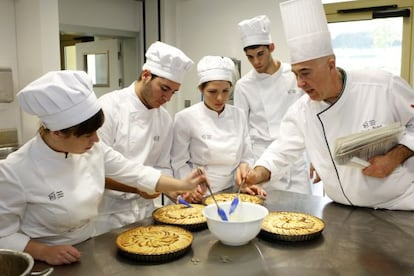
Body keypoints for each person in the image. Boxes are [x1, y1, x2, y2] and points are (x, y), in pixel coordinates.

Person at [0, 70, 204, 265]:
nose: (97, 140)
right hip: (44, 257)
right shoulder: (14, 171)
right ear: (58, 133)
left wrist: (183, 184)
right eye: (88, 135)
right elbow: (4, 234)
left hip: (88, 245)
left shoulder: (93, 149)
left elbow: (134, 172)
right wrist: (43, 251)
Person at [238, 0, 414, 210]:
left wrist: (393, 158)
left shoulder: (382, 86)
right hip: (341, 209)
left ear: (331, 64)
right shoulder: (302, 110)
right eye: (295, 74)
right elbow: (281, 150)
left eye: (305, 73)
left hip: (398, 206)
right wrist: (256, 173)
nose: (300, 83)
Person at [94, 41, 193, 236]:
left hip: (144, 212)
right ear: (146, 75)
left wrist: (171, 190)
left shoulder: (164, 118)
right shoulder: (108, 108)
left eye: (173, 92)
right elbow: (95, 169)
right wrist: (139, 186)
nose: (168, 98)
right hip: (107, 215)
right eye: (164, 88)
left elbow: (163, 166)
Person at [234, 15, 313, 194]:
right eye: (250, 57)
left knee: (301, 216)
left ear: (271, 47)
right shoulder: (243, 85)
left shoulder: (294, 75)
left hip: (294, 160)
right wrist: (244, 163)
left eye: (260, 54)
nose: (256, 62)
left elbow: (309, 117)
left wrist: (316, 156)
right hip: (261, 162)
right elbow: (242, 131)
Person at [171, 55, 266, 202]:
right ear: (201, 89)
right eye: (213, 92)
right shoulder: (185, 118)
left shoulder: (238, 115)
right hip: (200, 193)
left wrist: (244, 177)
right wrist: (189, 186)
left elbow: (246, 155)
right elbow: (178, 162)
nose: (220, 98)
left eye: (225, 91)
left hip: (232, 191)